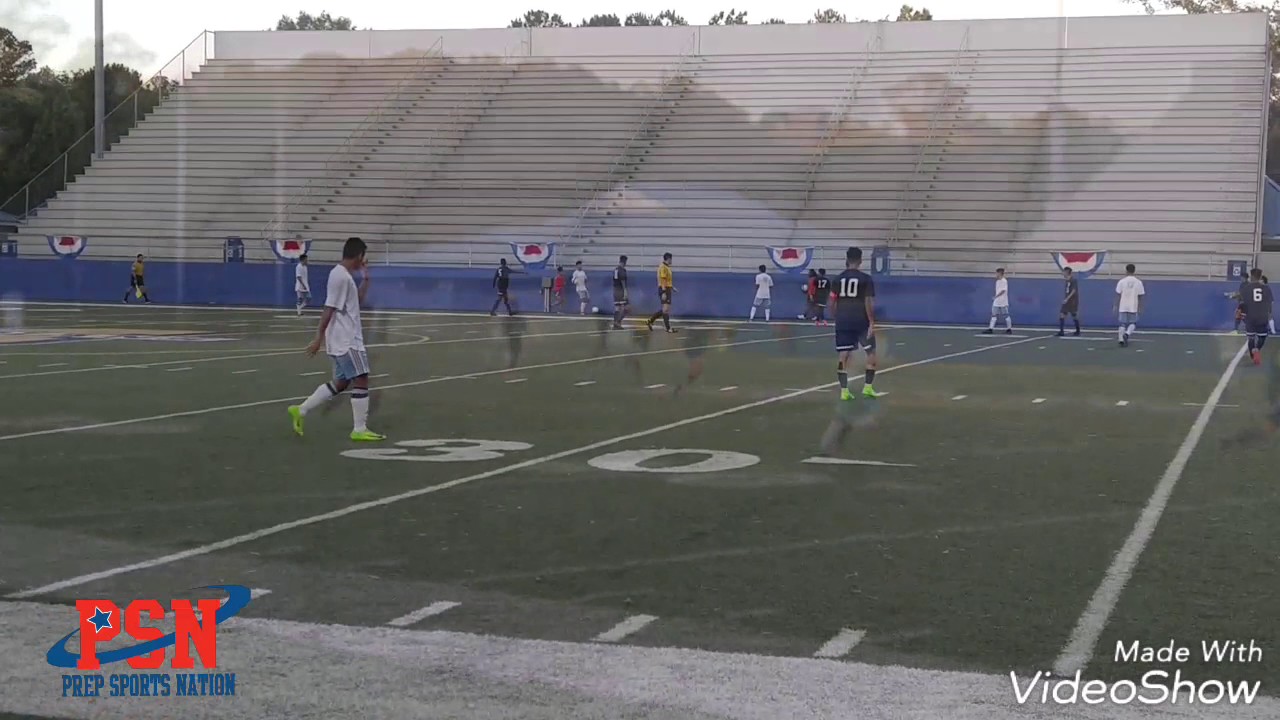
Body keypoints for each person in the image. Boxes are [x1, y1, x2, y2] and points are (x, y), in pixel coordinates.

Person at [288, 237, 385, 442]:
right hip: (348, 340)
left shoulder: (344, 277)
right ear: (359, 255)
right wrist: (318, 338)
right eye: (363, 258)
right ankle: (359, 429)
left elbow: (355, 302)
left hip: (341, 340)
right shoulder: (340, 277)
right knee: (361, 378)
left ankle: (301, 409)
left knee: (341, 382)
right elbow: (329, 308)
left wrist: (365, 279)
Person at [832, 247, 882, 400]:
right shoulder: (865, 279)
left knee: (843, 355)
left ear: (846, 259)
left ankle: (844, 391)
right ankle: (868, 387)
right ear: (860, 260)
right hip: (860, 319)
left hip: (843, 320)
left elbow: (832, 301)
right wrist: (871, 321)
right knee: (871, 353)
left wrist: (836, 316)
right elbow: (868, 301)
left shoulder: (837, 279)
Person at [1240, 267, 1273, 366]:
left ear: (1252, 276)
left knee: (1251, 338)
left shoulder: (1246, 288)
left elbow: (1242, 302)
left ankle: (1253, 354)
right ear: (1259, 277)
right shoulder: (1266, 288)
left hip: (1250, 316)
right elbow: (1269, 303)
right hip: (1262, 316)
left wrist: (1241, 313)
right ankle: (1257, 350)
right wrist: (1269, 314)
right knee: (1262, 337)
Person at [1113, 263, 1145, 347]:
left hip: (1123, 305)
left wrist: (1115, 305)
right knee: (1133, 323)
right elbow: (1141, 295)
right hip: (1133, 305)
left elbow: (1118, 294)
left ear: (1126, 270)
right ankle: (1127, 334)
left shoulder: (1122, 281)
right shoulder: (1138, 282)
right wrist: (1140, 306)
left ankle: (1120, 339)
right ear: (1134, 271)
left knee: (1122, 323)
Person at [646, 252, 677, 333]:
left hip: (667, 288)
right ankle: (667, 328)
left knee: (665, 310)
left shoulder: (667, 267)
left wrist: (672, 287)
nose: (671, 261)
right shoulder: (663, 267)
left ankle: (650, 321)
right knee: (665, 309)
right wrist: (663, 292)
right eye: (671, 259)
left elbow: (667, 280)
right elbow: (663, 280)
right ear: (668, 259)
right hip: (664, 289)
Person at [984, 267, 1012, 334]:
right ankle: (990, 328)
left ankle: (1009, 329)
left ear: (999, 273)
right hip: (997, 301)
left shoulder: (1004, 281)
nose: (996, 274)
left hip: (1003, 301)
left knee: (1006, 315)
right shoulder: (997, 281)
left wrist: (996, 296)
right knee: (994, 314)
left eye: (996, 273)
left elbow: (1003, 290)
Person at [1057, 267, 1081, 337]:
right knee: (1062, 314)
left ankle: (1078, 330)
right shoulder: (1067, 281)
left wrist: (1067, 298)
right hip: (1067, 300)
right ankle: (1061, 331)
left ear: (1067, 272)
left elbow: (1074, 291)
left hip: (1072, 300)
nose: (1063, 273)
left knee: (1074, 315)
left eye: (1064, 272)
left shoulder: (1073, 280)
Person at [612, 255, 629, 330]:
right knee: (626, 308)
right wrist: (625, 291)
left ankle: (616, 323)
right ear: (624, 262)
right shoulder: (622, 270)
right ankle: (617, 322)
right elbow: (623, 281)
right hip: (620, 290)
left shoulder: (615, 270)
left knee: (617, 308)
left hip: (615, 289)